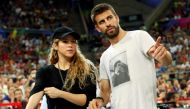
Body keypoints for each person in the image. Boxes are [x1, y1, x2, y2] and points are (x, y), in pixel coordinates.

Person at [88, 3, 172, 109]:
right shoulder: (104, 57)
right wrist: (99, 101)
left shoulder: (139, 36)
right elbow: (105, 91)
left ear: (117, 18)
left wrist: (163, 55)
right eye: (102, 22)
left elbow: (166, 61)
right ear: (98, 28)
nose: (107, 23)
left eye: (109, 18)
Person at [26, 26, 97, 109]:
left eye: (73, 42)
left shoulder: (86, 68)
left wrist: (60, 93)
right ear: (55, 46)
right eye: (65, 41)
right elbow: (35, 94)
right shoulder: (45, 72)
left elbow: (88, 99)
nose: (70, 45)